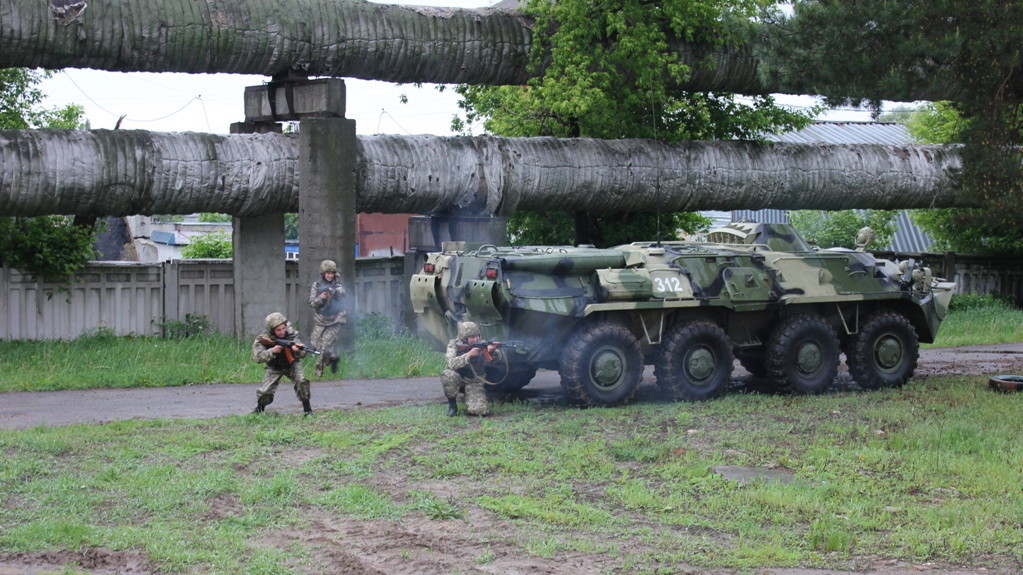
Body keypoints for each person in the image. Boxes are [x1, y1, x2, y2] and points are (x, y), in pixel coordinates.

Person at [252, 312, 312, 414]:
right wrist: (272, 351)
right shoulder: (264, 338)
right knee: (265, 391)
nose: (282, 332)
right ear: (272, 330)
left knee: (302, 382)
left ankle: (307, 410)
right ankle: (259, 410)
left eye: (283, 328)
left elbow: (302, 352)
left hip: (292, 364)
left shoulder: (291, 334)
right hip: (274, 366)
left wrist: (297, 350)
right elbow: (258, 357)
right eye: (278, 330)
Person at [441, 321, 502, 417]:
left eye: (477, 336)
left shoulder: (483, 344)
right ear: (464, 338)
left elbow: (498, 359)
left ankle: (469, 396)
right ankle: (452, 406)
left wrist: (492, 351)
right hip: (459, 379)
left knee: (479, 411)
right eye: (472, 337)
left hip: (475, 381)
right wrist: (468, 355)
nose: (475, 339)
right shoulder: (454, 344)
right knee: (448, 374)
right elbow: (451, 363)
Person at [308, 259, 346, 377]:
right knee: (314, 345)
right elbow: (312, 303)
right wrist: (322, 297)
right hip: (321, 319)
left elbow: (342, 293)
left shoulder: (338, 284)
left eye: (332, 273)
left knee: (324, 347)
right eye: (328, 273)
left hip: (335, 319)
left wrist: (333, 292)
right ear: (323, 274)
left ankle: (317, 374)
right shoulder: (317, 285)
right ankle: (332, 358)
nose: (330, 275)